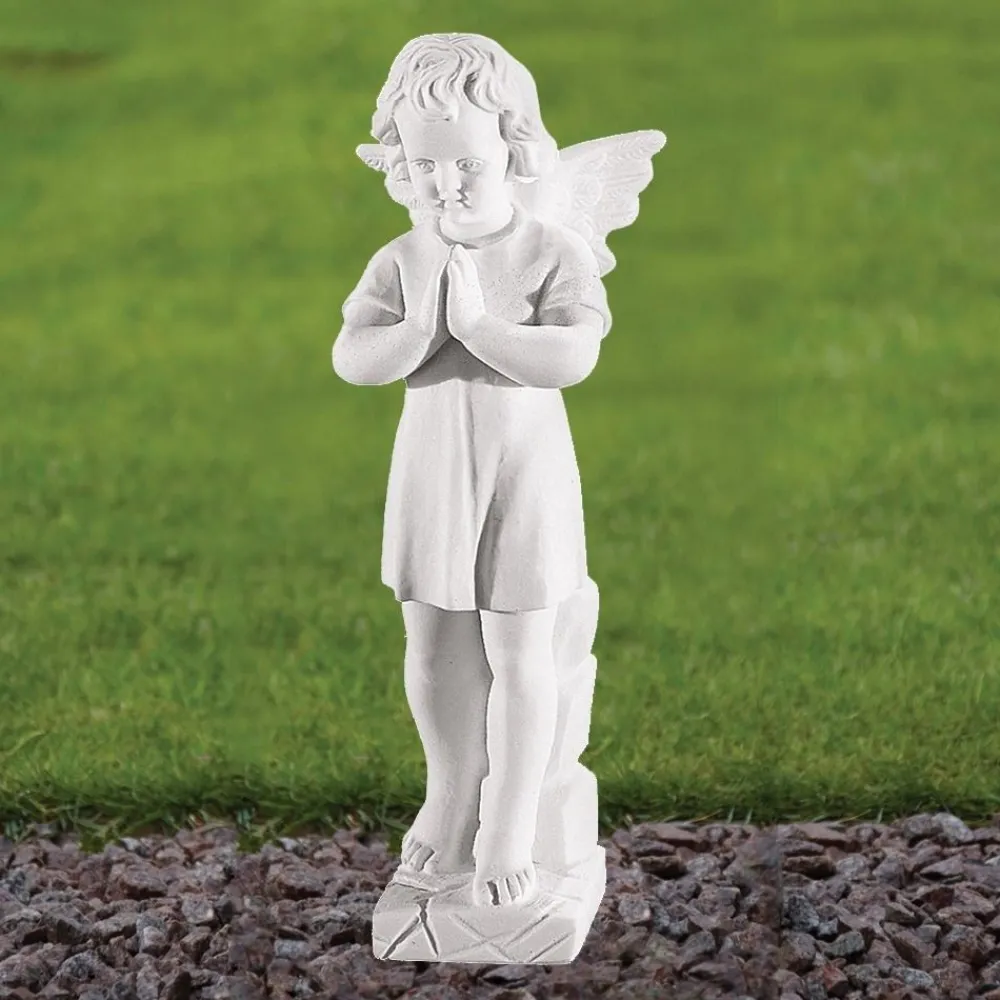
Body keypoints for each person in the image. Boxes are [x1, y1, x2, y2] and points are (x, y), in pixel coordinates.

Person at [332, 33, 611, 908]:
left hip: (523, 471)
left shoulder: (549, 249)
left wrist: (482, 329)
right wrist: (421, 331)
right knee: (432, 645)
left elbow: (575, 353)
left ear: (514, 151)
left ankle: (510, 824)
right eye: (425, 165)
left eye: (467, 164)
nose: (444, 184)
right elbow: (352, 354)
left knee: (523, 649)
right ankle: (451, 797)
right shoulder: (404, 258)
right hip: (433, 468)